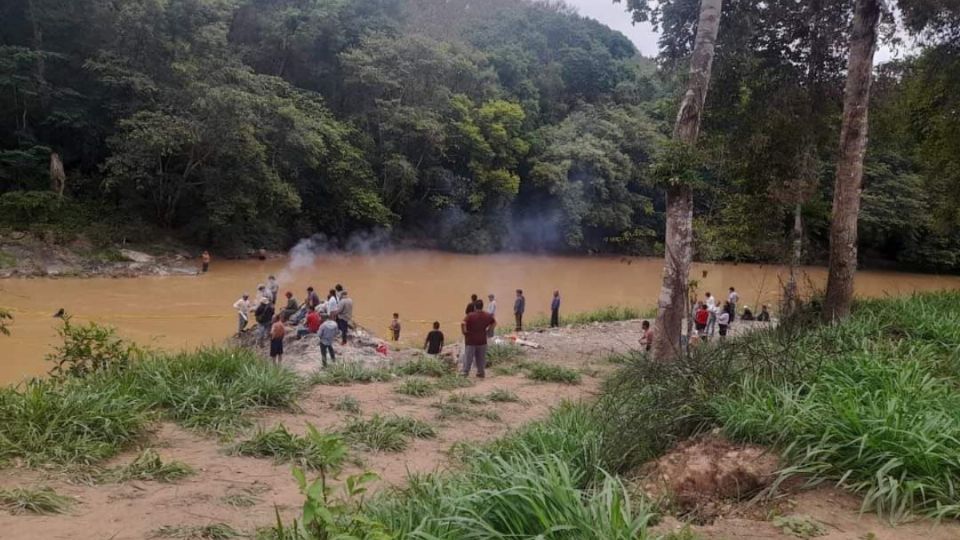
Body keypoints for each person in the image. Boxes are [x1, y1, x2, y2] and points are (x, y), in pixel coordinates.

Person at [461, 299, 496, 378]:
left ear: (475, 307)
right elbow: (494, 323)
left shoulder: (470, 315)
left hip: (471, 340)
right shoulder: (487, 315)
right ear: (482, 306)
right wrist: (489, 330)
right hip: (482, 340)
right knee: (481, 357)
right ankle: (481, 372)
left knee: (468, 357)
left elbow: (463, 323)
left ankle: (465, 372)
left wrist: (464, 332)